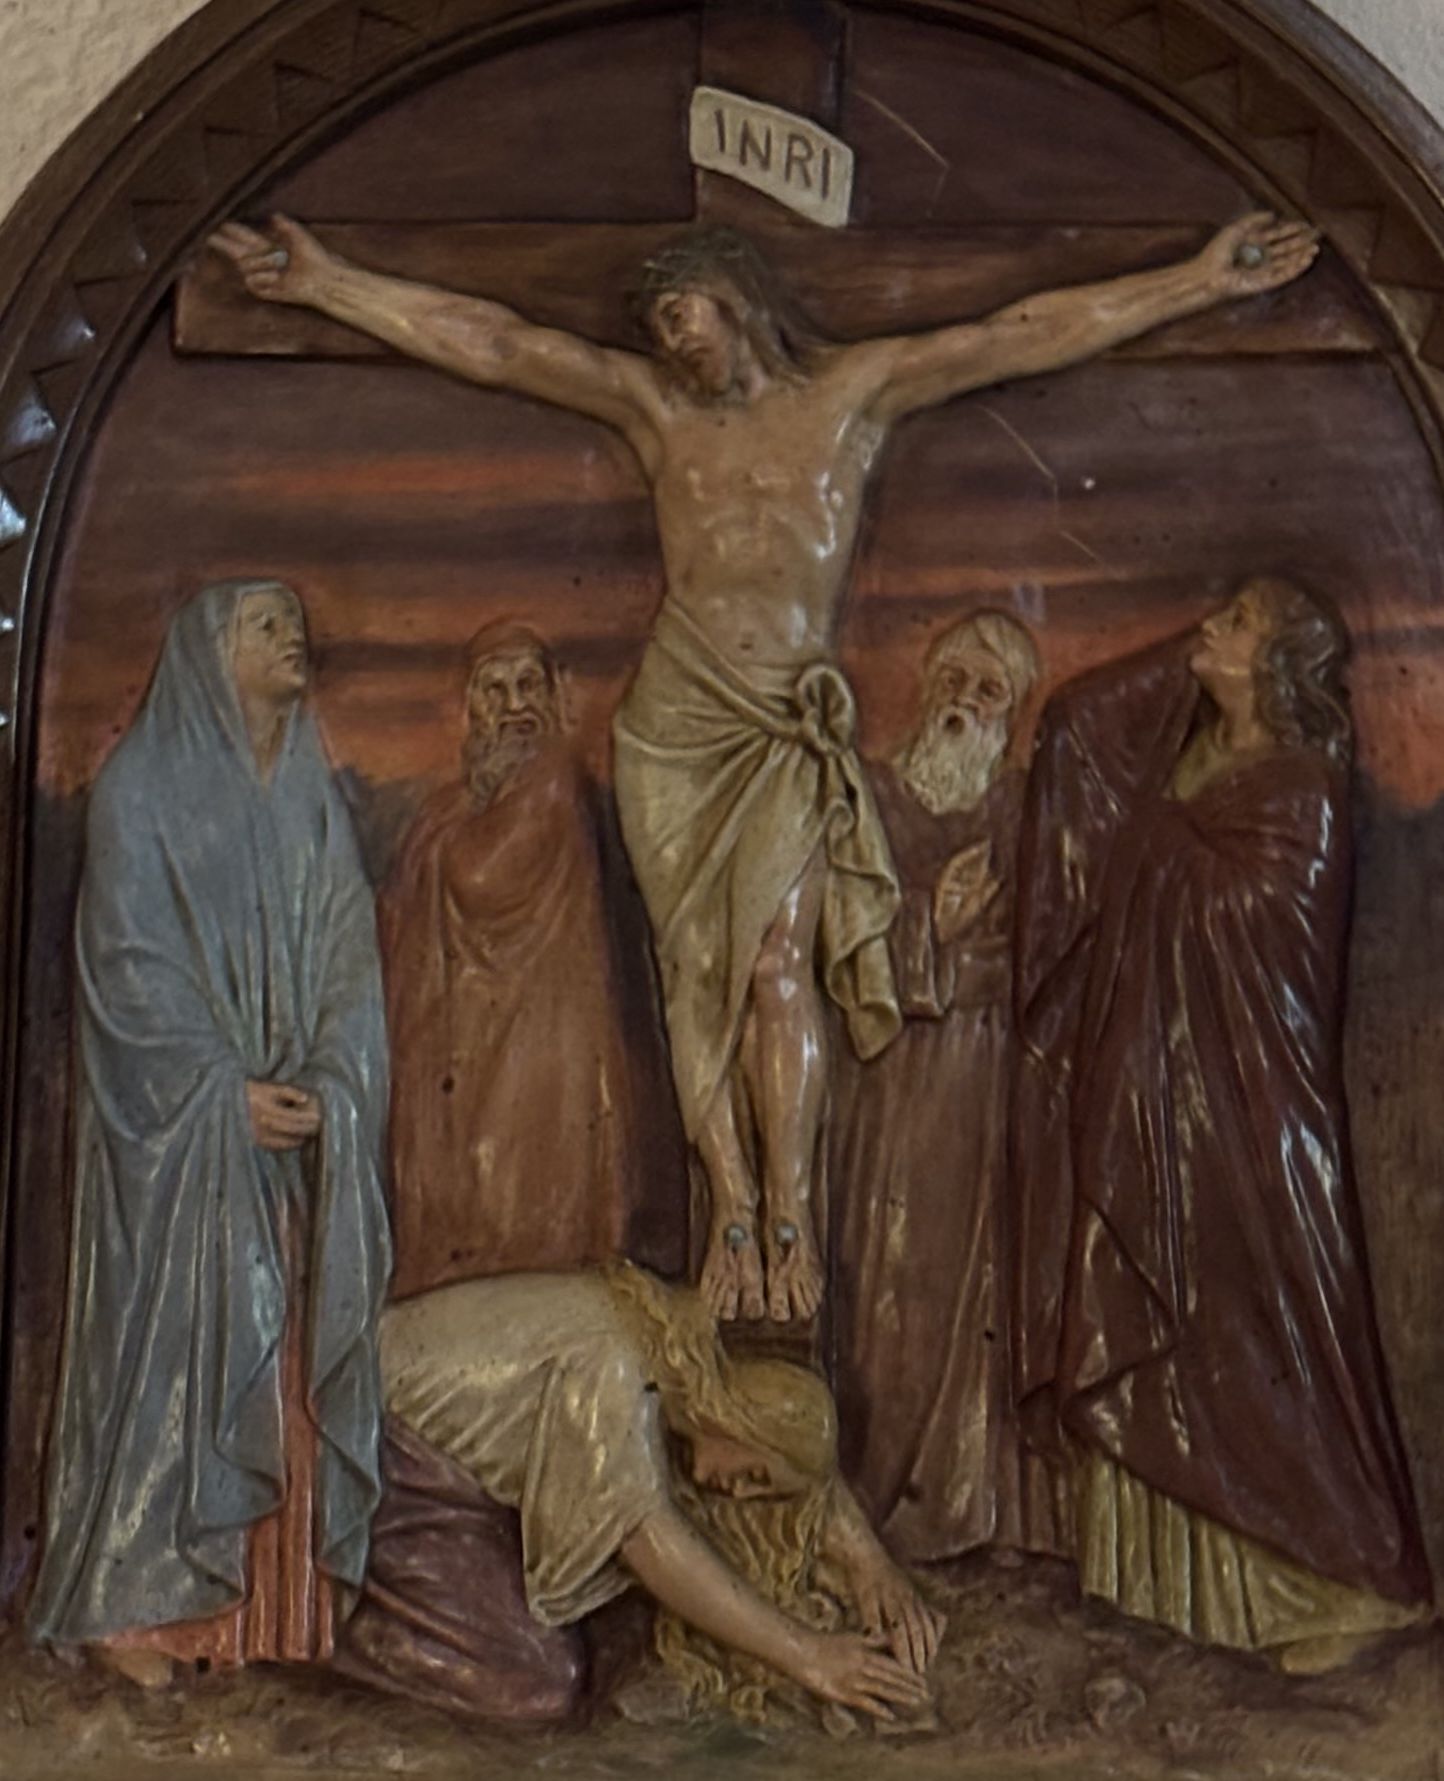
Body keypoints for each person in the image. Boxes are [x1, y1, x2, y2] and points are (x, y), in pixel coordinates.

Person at [208, 207, 1320, 1323]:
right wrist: (327, 284)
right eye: (656, 324)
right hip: (677, 725)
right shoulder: (656, 413)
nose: (671, 339)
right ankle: (730, 1208)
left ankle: (789, 1205)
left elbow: (1016, 334)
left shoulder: (851, 397)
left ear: (733, 298)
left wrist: (1196, 280)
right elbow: (500, 344)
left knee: (780, 960)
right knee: (696, 973)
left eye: (681, 314)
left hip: (784, 716)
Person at [1012, 576, 1432, 1672]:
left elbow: (1262, 924)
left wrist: (1154, 846)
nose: (1208, 626)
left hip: (1256, 1106)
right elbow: (1078, 723)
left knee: (1273, 1318)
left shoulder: (1301, 787)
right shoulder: (1188, 756)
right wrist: (1181, 676)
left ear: (1281, 661)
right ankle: (1199, 1592)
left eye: (1237, 620)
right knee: (1183, 1314)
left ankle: (1343, 1576)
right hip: (1160, 1091)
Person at [27, 581, 392, 1686]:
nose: (293, 636)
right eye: (263, 623)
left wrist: (332, 1079)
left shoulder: (310, 800)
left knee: (278, 1354)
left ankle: (269, 1617)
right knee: (173, 1357)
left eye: (295, 620)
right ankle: (142, 1612)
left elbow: (349, 959)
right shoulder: (138, 789)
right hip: (177, 1149)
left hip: (287, 1146)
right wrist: (221, 1094)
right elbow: (127, 973)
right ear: (206, 653)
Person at [355, 1262, 943, 1722]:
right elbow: (651, 1539)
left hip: (436, 1460)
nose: (740, 1493)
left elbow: (794, 1445)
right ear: (741, 1422)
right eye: (755, 1477)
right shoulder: (618, 1374)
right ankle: (342, 1619)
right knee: (539, 1681)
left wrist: (868, 1562)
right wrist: (809, 1656)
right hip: (372, 1448)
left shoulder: (677, 1343)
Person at [829, 610, 1063, 1562]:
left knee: (979, 1290)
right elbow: (834, 937)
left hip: (983, 1079)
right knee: (885, 1283)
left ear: (1013, 711)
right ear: (927, 684)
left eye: (989, 689)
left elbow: (1044, 950)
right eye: (956, 678)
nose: (966, 701)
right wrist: (932, 924)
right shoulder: (873, 797)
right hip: (884, 1081)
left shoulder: (1021, 808)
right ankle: (878, 1496)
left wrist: (962, 955)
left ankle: (978, 1511)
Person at [379, 619, 644, 1296]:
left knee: (524, 1206)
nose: (515, 706)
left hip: (537, 1044)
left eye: (529, 685)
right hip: (460, 1042)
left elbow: (483, 875)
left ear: (556, 695)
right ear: (469, 706)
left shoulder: (551, 783)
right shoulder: (460, 805)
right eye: (495, 690)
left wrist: (440, 841)